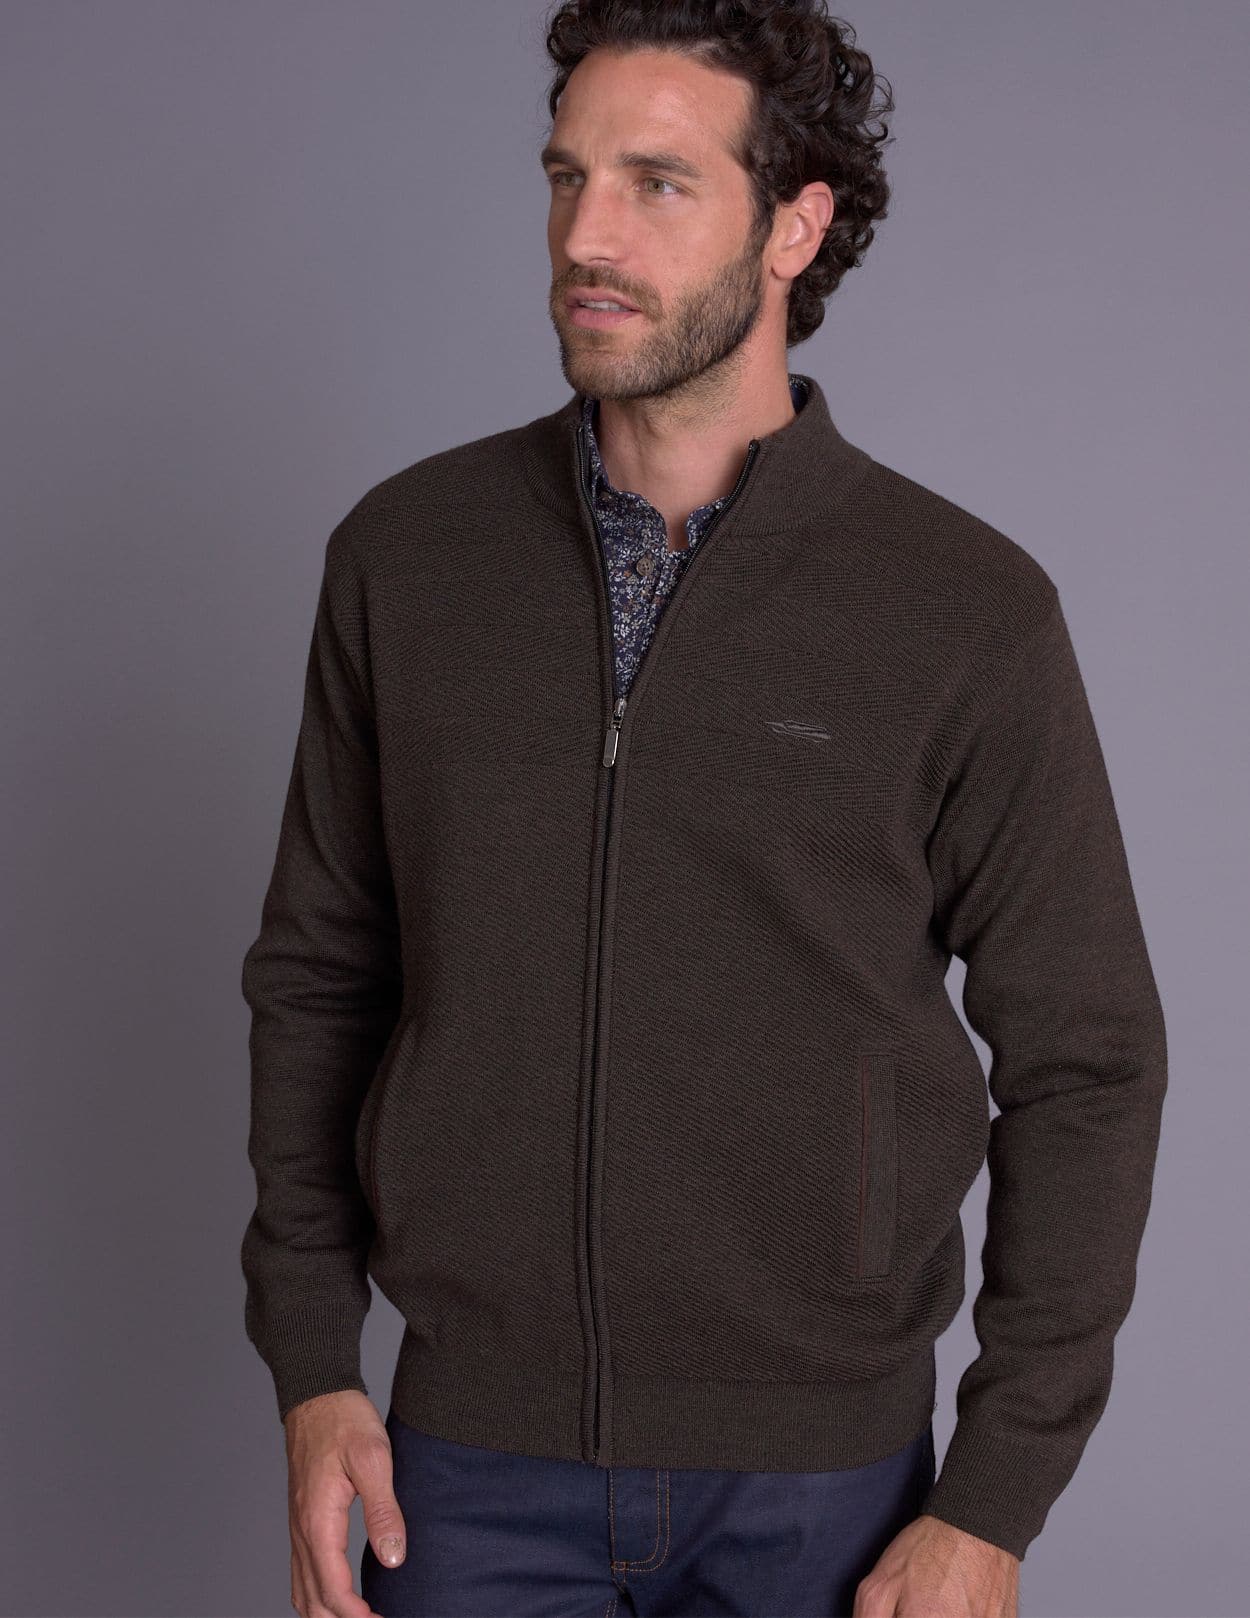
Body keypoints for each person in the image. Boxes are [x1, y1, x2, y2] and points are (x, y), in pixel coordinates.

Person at [239, 4, 1168, 1615]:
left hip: (822, 1485)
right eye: (566, 176)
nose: (585, 235)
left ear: (792, 224)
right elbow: (319, 979)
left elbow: (1087, 1058)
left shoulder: (961, 607)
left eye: (656, 183)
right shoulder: (407, 559)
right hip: (463, 1465)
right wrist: (316, 1367)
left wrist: (995, 1496)